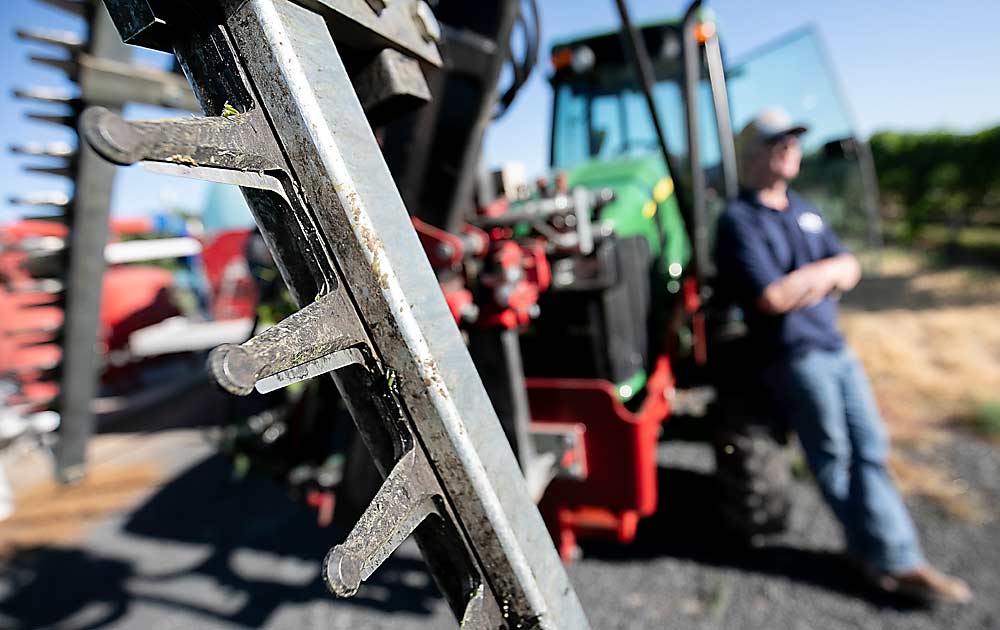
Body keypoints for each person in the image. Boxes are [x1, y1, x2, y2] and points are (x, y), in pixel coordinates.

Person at [714, 108, 972, 604]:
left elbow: (848, 266)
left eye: (793, 140)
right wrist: (825, 275)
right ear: (752, 154)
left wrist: (814, 277)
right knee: (835, 458)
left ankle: (877, 550)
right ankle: (896, 560)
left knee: (869, 448)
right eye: (778, 141)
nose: (791, 148)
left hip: (835, 349)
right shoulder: (738, 221)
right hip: (795, 357)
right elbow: (771, 297)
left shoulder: (803, 209)